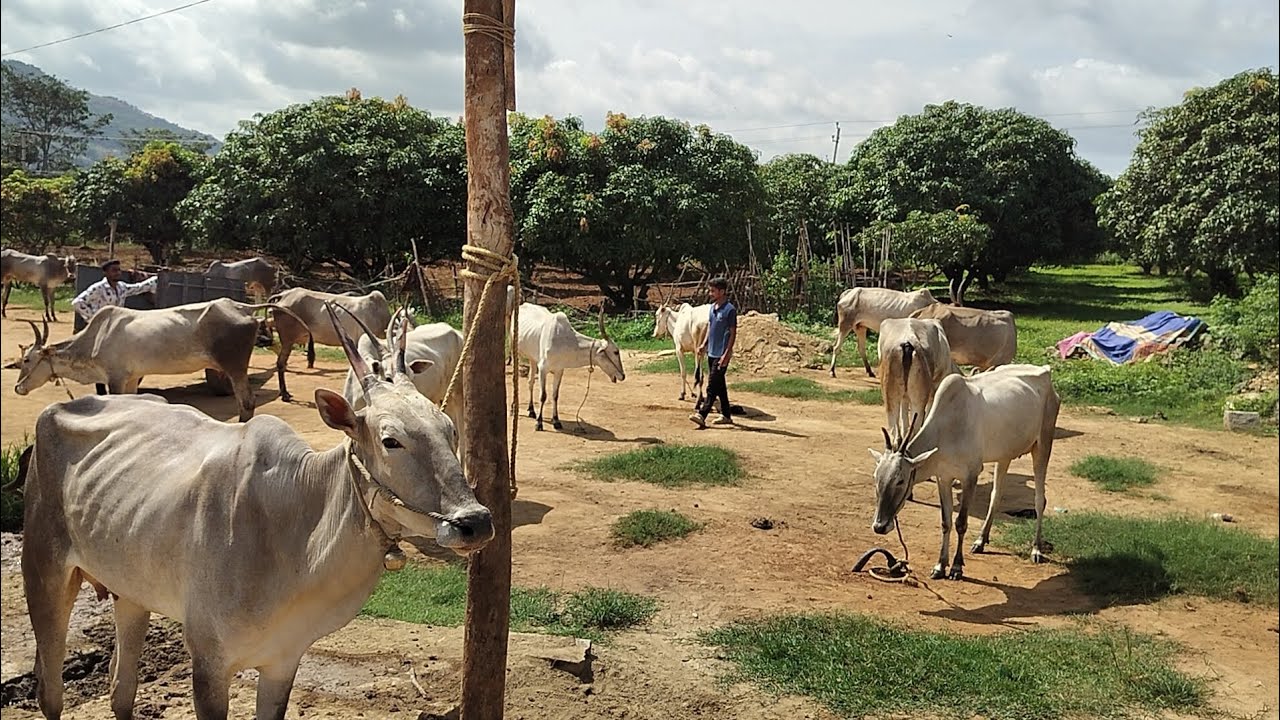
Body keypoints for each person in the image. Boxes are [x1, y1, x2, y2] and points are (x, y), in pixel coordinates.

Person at [71, 259, 157, 395]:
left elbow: (138, 288)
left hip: (117, 330)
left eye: (119, 270)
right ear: (106, 273)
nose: (118, 273)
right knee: (100, 360)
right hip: (103, 331)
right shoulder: (98, 288)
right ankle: (101, 393)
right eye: (114, 270)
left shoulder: (121, 287)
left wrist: (155, 280)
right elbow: (77, 303)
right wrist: (95, 319)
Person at [689, 276, 736, 429]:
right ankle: (727, 415)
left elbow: (732, 333)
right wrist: (703, 344)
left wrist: (726, 354)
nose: (710, 293)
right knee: (720, 385)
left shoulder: (730, 310)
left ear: (722, 292)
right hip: (711, 352)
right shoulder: (712, 308)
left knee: (712, 386)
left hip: (722, 354)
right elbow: (711, 327)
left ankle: (702, 414)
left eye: (713, 291)